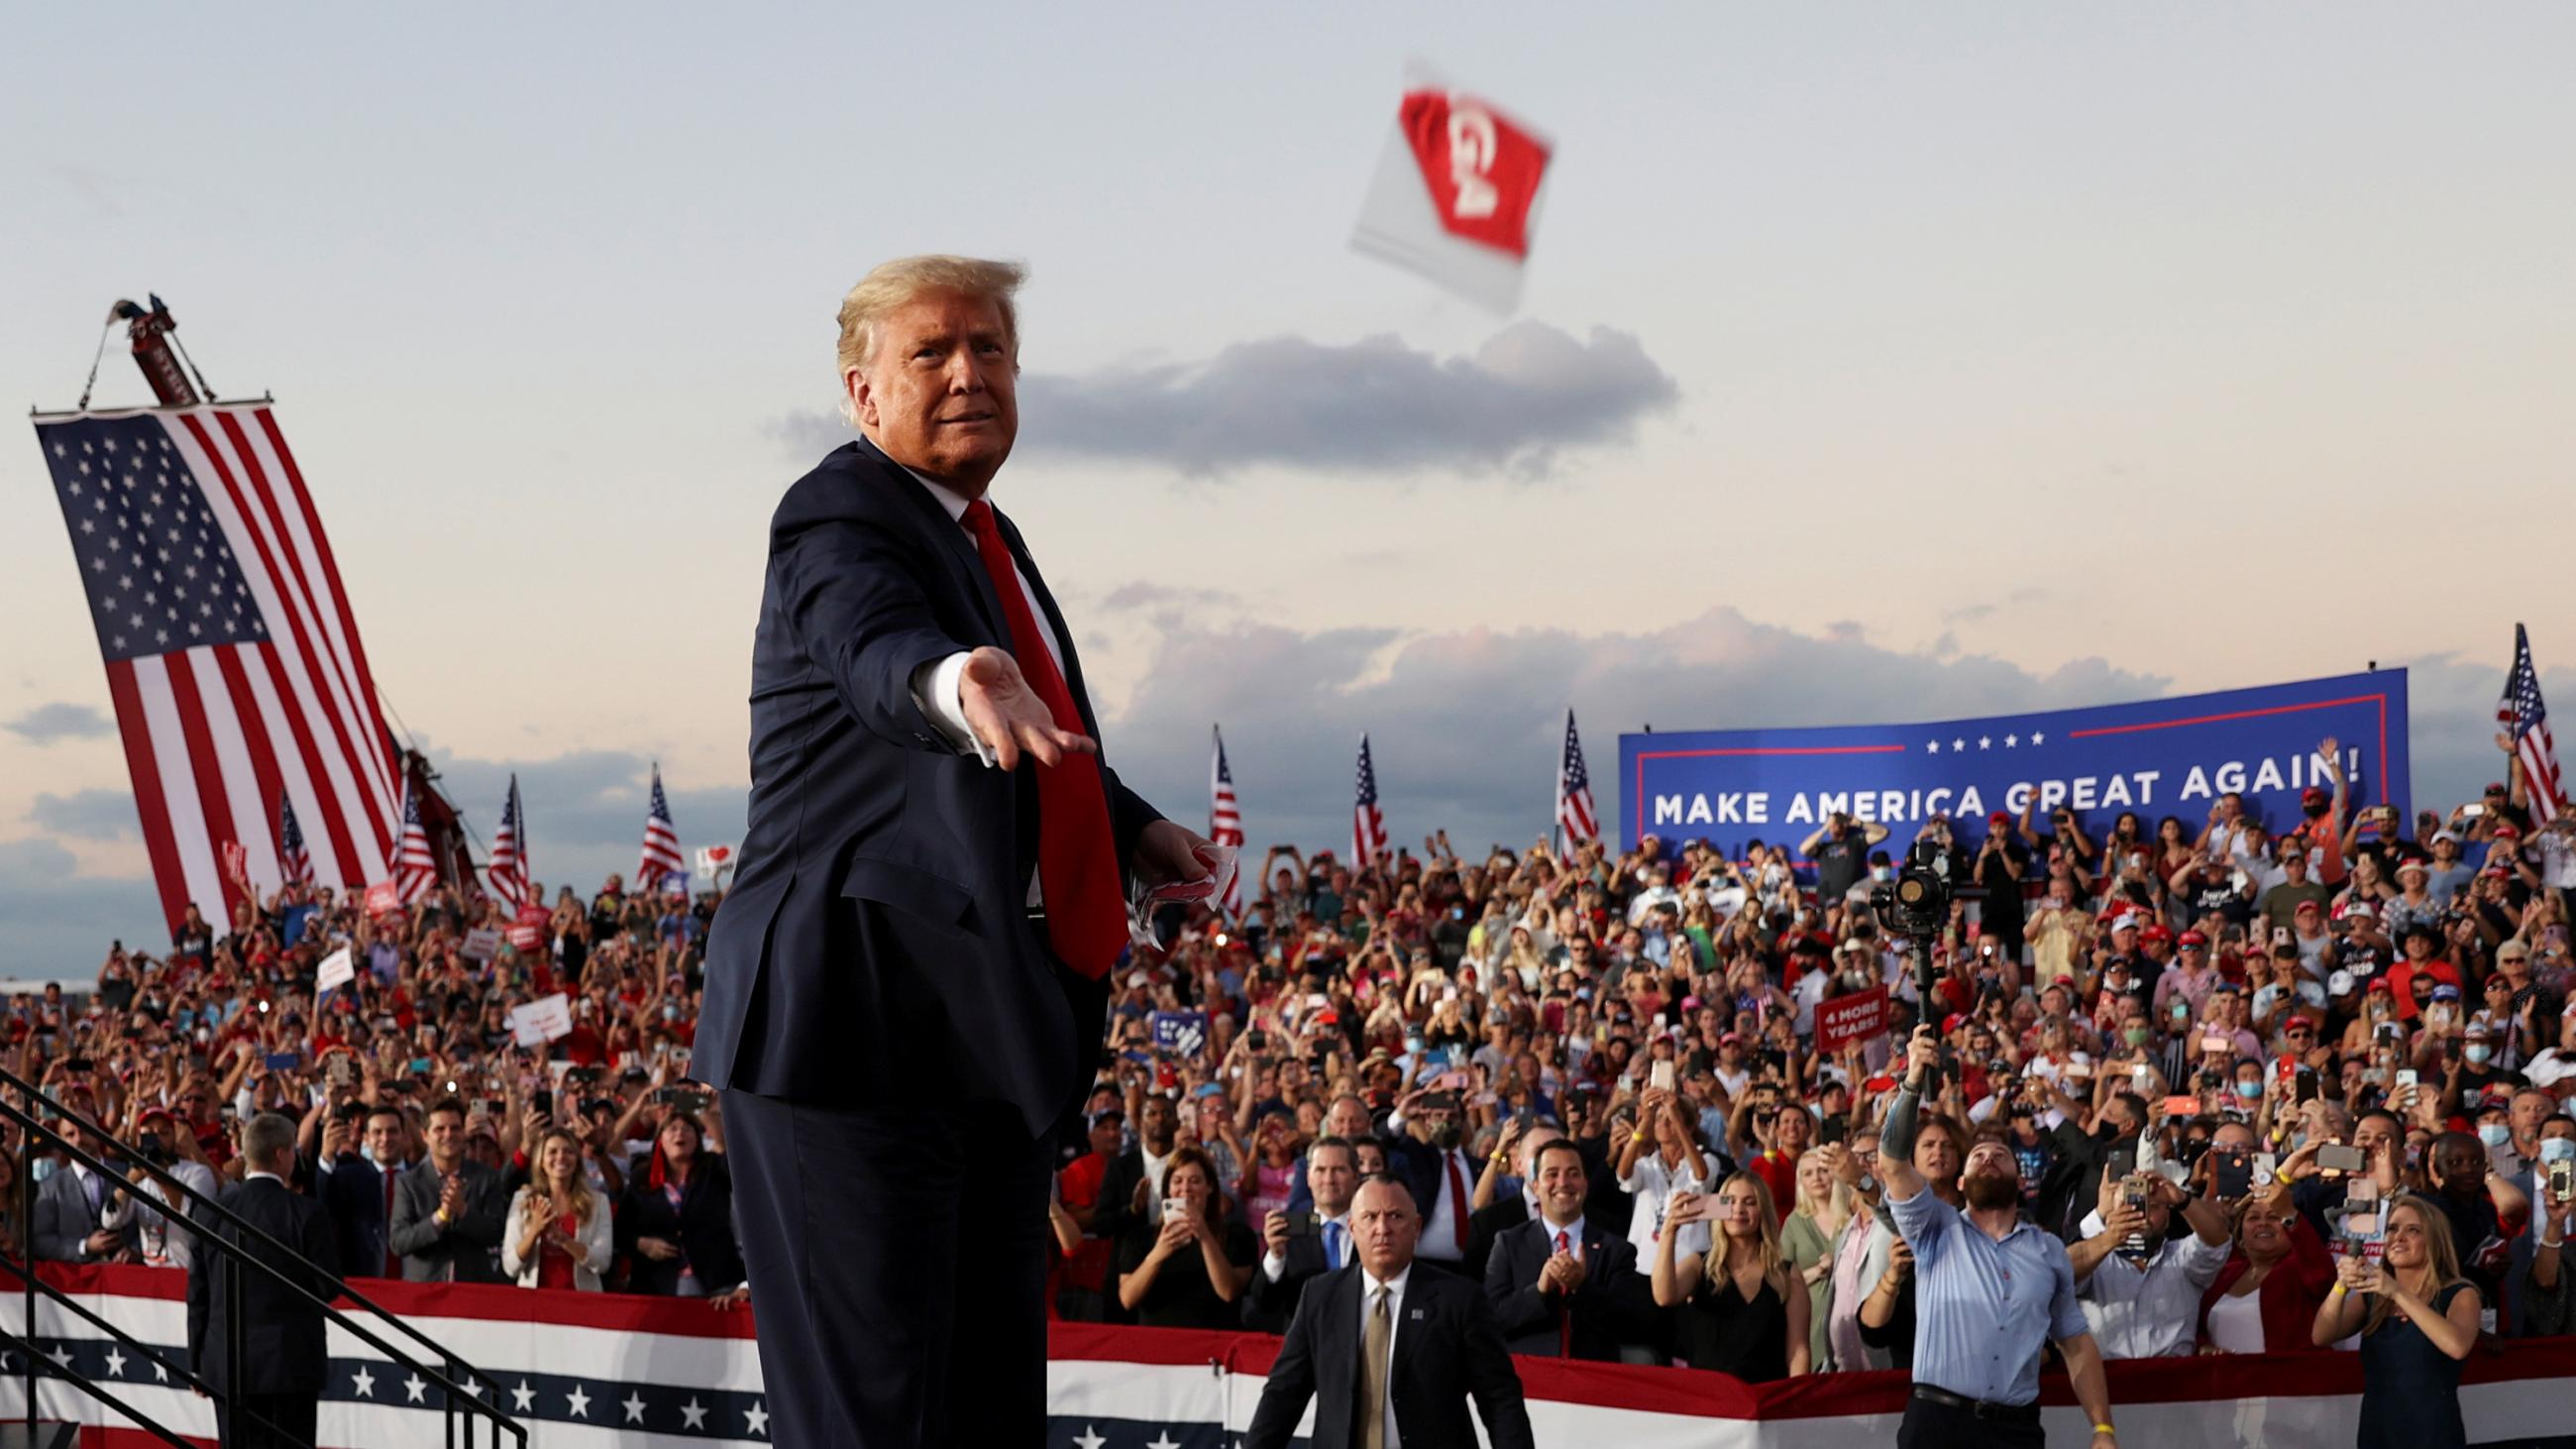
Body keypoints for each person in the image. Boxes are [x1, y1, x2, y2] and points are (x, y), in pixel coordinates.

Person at [697, 256, 1218, 1447]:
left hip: (983, 1039)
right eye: (929, 353)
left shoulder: (988, 533)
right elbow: (878, 646)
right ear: (860, 395)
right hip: (847, 1039)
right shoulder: (838, 511)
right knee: (874, 1422)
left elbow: (1036, 734)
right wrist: (949, 676)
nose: (967, 372)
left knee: (984, 1415)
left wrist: (1132, 825)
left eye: (989, 348)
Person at [1882, 1026, 2117, 1449]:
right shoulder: (1934, 1228)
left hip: (2015, 1431)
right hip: (1937, 1424)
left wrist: (2102, 1428)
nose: (1989, 1157)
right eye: (1978, 1156)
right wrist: (1913, 1079)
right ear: (1960, 1180)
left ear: (2020, 1179)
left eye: (2000, 1155)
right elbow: (1894, 1162)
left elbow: (2077, 1344)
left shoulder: (2048, 1251)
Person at [1244, 1174, 1535, 1449]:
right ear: (1352, 1228)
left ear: (1417, 1227)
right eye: (1369, 1217)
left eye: (1395, 1216)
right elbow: (1283, 1394)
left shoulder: (1459, 1299)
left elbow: (1499, 1398)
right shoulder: (1320, 1296)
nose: (1382, 1228)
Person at [185, 1112, 339, 1449]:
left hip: (226, 1363)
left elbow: (198, 1293)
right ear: (282, 1155)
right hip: (291, 1364)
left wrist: (197, 1363)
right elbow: (328, 1287)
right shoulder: (306, 1213)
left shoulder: (210, 1214)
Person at [2309, 1195, 2482, 1449]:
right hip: (2378, 1429)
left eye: (2413, 1230)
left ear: (2434, 1240)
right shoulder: (2373, 1297)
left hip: (2432, 1433)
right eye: (2392, 1228)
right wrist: (2341, 1285)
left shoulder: (2459, 1293)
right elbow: (2321, 1335)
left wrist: (2398, 1293)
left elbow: (2457, 1346)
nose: (2398, 1237)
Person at [1484, 1139, 1643, 1360]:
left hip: (1594, 1378)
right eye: (1552, 1174)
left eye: (1573, 1173)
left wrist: (1582, 1287)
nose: (1563, 1182)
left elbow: (1629, 1324)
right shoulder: (1509, 1244)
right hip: (1529, 1378)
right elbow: (1491, 1319)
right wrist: (1539, 1290)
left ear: (1585, 1183)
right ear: (1536, 1186)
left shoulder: (1616, 1250)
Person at [2065, 1157, 2231, 1358]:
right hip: (2108, 1380)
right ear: (2109, 1212)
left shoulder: (2182, 1256)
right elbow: (2062, 1272)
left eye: (2152, 1206)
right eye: (2130, 1204)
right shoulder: (2094, 1261)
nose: (2141, 1215)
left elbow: (2219, 1240)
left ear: (2168, 1216)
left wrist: (2181, 1199)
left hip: (2174, 1379)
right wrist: (2106, 1232)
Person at [1652, 1172, 1810, 1381]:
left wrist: (1794, 1399)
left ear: (1763, 1211)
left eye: (1750, 1202)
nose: (1738, 1210)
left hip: (1765, 1400)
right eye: (1730, 1202)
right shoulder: (1699, 1265)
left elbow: (1798, 1351)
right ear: (1718, 1207)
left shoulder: (1787, 1274)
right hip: (1711, 1400)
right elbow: (1664, 1296)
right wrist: (1669, 1231)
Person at [1115, 1147, 1256, 1329]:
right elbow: (1127, 1299)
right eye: (1177, 1181)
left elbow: (1228, 1292)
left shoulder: (1237, 1236)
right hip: (1158, 1346)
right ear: (1168, 1189)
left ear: (1210, 1187)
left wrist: (1204, 1235)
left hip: (1216, 1345)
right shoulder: (1139, 1239)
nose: (1185, 1189)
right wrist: (1158, 1253)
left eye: (1195, 1181)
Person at [615, 1111, 745, 1297]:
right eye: (672, 1129)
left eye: (687, 1129)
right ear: (660, 1139)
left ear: (698, 1138)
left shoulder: (713, 1167)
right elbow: (621, 1230)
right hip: (657, 1285)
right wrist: (642, 1244)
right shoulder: (642, 1176)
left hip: (717, 1285)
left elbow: (737, 1164)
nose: (680, 1134)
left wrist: (707, 1115)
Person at [387, 1097, 509, 1283]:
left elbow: (495, 1232)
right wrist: (441, 1217)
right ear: (425, 1135)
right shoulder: (408, 1182)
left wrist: (463, 1211)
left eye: (455, 1128)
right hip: (423, 1292)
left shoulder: (487, 1178)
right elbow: (399, 1242)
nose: (448, 1135)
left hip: (473, 1290)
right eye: (439, 1129)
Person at [1255, 1135, 1360, 1331]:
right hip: (1306, 1346)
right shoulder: (1287, 1230)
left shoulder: (1372, 1227)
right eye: (1320, 1170)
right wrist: (1276, 1256)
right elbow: (1264, 1304)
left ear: (1356, 1176)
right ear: (1308, 1178)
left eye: (1339, 1169)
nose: (1329, 1179)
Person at [501, 1127, 613, 1290]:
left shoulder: (598, 1202)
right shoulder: (523, 1200)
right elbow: (510, 1267)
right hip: (535, 1304)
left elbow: (602, 1263)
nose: (560, 1157)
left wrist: (563, 1240)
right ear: (541, 1161)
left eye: (568, 1151)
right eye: (552, 1152)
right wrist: (534, 1230)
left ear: (577, 1160)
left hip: (582, 1303)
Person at [1779, 1145, 1852, 1372]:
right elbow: (1780, 1280)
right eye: (1807, 1174)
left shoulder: (1853, 1215)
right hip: (1810, 1321)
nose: (1816, 1178)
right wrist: (1818, 1270)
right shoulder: (1794, 1222)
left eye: (1822, 1170)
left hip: (1851, 1316)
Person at [33, 1112, 139, 1264]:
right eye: (70, 1134)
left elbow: (148, 1220)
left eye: (84, 1130)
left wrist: (136, 1249)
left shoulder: (126, 1174)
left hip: (128, 1275)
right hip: (76, 1280)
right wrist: (84, 1246)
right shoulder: (50, 1187)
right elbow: (40, 1240)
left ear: (97, 1132)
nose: (78, 1139)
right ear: (61, 1141)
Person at [319, 1104, 408, 1279]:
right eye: (377, 1132)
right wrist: (327, 1157)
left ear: (404, 1136)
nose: (385, 1138)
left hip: (414, 1287)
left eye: (392, 1131)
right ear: (366, 1138)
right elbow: (325, 1203)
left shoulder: (422, 1179)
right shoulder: (348, 1177)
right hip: (363, 1285)